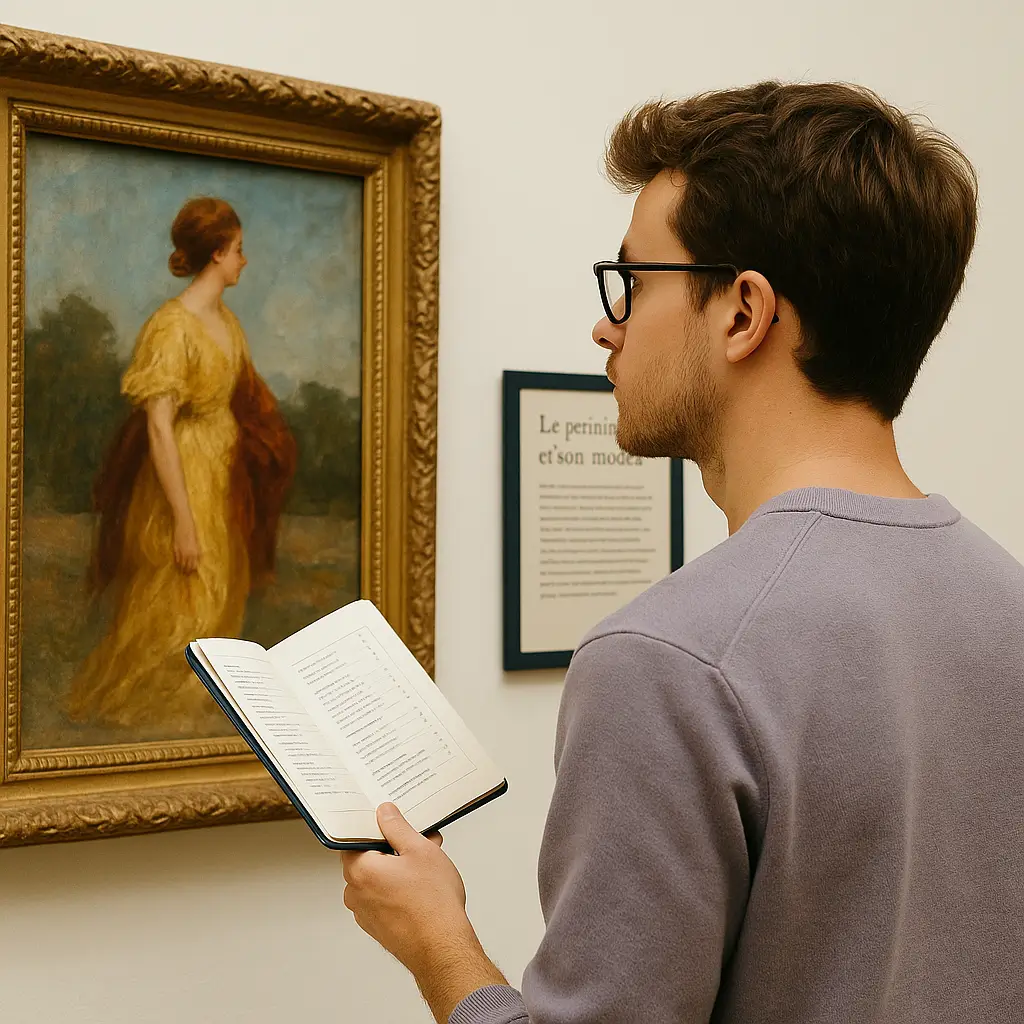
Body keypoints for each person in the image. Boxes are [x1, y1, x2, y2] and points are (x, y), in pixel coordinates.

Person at [340, 81, 1024, 1023]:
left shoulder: (669, 661)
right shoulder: (1009, 603)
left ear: (743, 313)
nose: (605, 325)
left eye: (634, 281)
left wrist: (438, 944)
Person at [69, 197, 295, 733]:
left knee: (220, 600)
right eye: (238, 249)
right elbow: (157, 427)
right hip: (182, 477)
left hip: (224, 477)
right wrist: (183, 520)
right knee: (178, 605)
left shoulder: (226, 322)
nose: (244, 260)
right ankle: (151, 724)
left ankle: (197, 725)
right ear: (216, 253)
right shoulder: (171, 328)